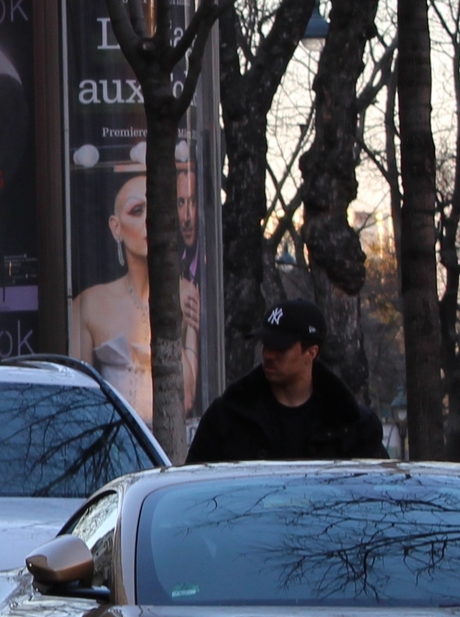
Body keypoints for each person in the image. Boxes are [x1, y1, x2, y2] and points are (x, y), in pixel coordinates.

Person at [185, 298, 386, 463]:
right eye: (265, 345)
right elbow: (194, 488)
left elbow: (374, 494)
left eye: (280, 347)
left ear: (311, 353)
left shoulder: (352, 425)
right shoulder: (227, 416)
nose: (269, 355)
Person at [69, 171, 200, 421]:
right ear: (115, 227)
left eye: (155, 211)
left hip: (167, 447)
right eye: (137, 210)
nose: (148, 221)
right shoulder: (90, 304)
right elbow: (76, 403)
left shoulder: (187, 294)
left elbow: (188, 397)